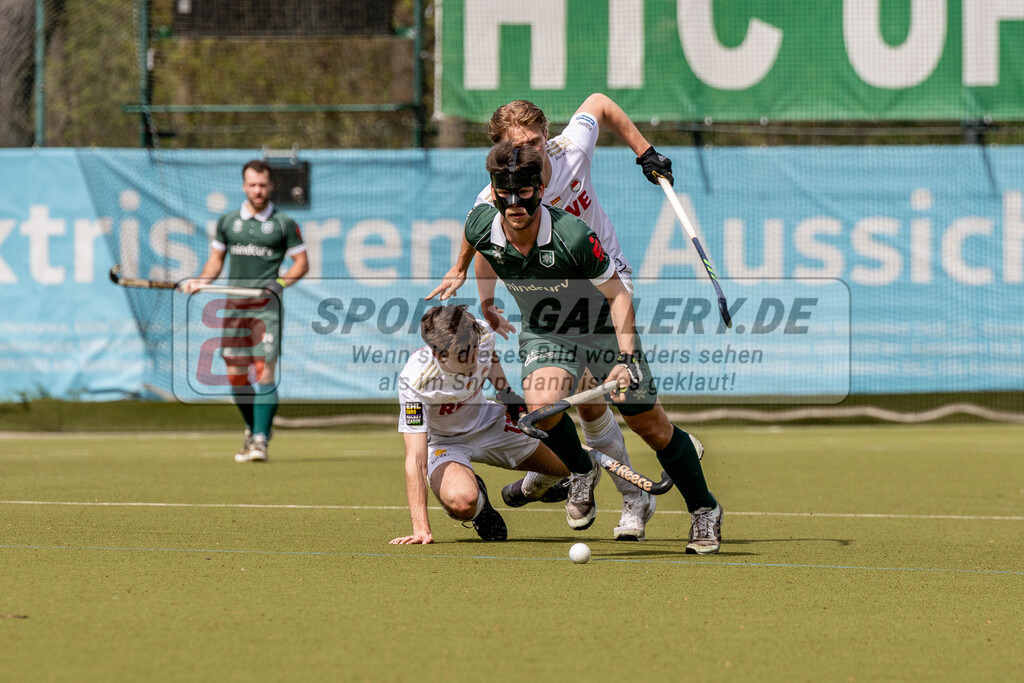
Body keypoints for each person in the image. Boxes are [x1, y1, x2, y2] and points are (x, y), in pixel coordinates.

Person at [444, 142, 723, 554]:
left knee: (652, 428)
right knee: (542, 406)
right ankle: (581, 468)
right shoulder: (483, 221)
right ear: (493, 188)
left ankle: (704, 509)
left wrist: (626, 359)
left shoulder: (573, 235)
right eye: (505, 192)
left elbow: (619, 295)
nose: (514, 202)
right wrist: (464, 273)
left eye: (524, 191)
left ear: (540, 187)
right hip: (546, 333)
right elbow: (475, 240)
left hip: (602, 330)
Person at [390, 304, 572, 545]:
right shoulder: (415, 381)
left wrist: (506, 392)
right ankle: (480, 509)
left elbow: (489, 356)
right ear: (438, 355)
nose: (473, 358)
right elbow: (416, 459)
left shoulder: (481, 333)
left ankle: (528, 489)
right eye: (462, 355)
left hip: (488, 422)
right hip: (446, 443)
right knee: (462, 502)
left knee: (569, 463)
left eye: (474, 349)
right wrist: (421, 528)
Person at [182, 159, 308, 463]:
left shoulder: (284, 224)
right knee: (236, 376)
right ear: (244, 186)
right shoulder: (227, 222)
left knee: (264, 372)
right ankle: (254, 430)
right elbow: (215, 261)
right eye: (252, 184)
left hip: (266, 309)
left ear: (271, 185)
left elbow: (301, 264)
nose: (258, 190)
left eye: (263, 185)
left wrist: (279, 283)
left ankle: (261, 440)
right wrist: (201, 280)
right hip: (234, 309)